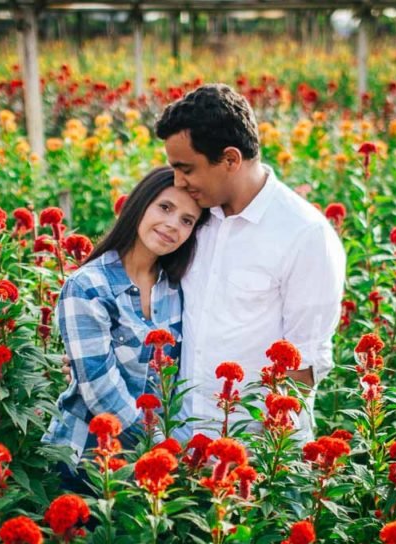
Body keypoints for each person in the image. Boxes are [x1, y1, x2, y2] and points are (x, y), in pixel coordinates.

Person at [154, 84, 346, 439]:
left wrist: (261, 468)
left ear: (230, 159)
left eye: (187, 169)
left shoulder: (304, 234)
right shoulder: (193, 216)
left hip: (254, 454)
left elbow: (303, 365)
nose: (178, 181)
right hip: (181, 442)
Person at [42, 167, 209, 466]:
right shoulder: (88, 286)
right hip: (88, 459)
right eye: (165, 207)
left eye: (187, 220)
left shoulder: (175, 288)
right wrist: (163, 448)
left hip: (150, 464)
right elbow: (100, 390)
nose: (173, 225)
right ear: (140, 204)